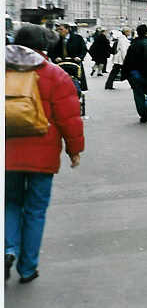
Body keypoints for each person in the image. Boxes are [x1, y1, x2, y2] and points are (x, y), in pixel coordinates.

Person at [6, 23, 84, 284]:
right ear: (43, 46)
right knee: (35, 210)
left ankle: (7, 248)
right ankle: (28, 269)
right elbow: (69, 118)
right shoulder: (55, 74)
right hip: (42, 155)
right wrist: (74, 150)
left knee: (9, 203)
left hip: (6, 155)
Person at [49, 21, 88, 92]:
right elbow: (51, 51)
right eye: (58, 29)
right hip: (60, 64)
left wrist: (80, 57)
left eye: (61, 29)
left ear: (67, 29)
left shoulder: (78, 38)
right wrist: (55, 58)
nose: (59, 31)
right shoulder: (56, 39)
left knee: (76, 82)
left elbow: (84, 50)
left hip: (75, 64)